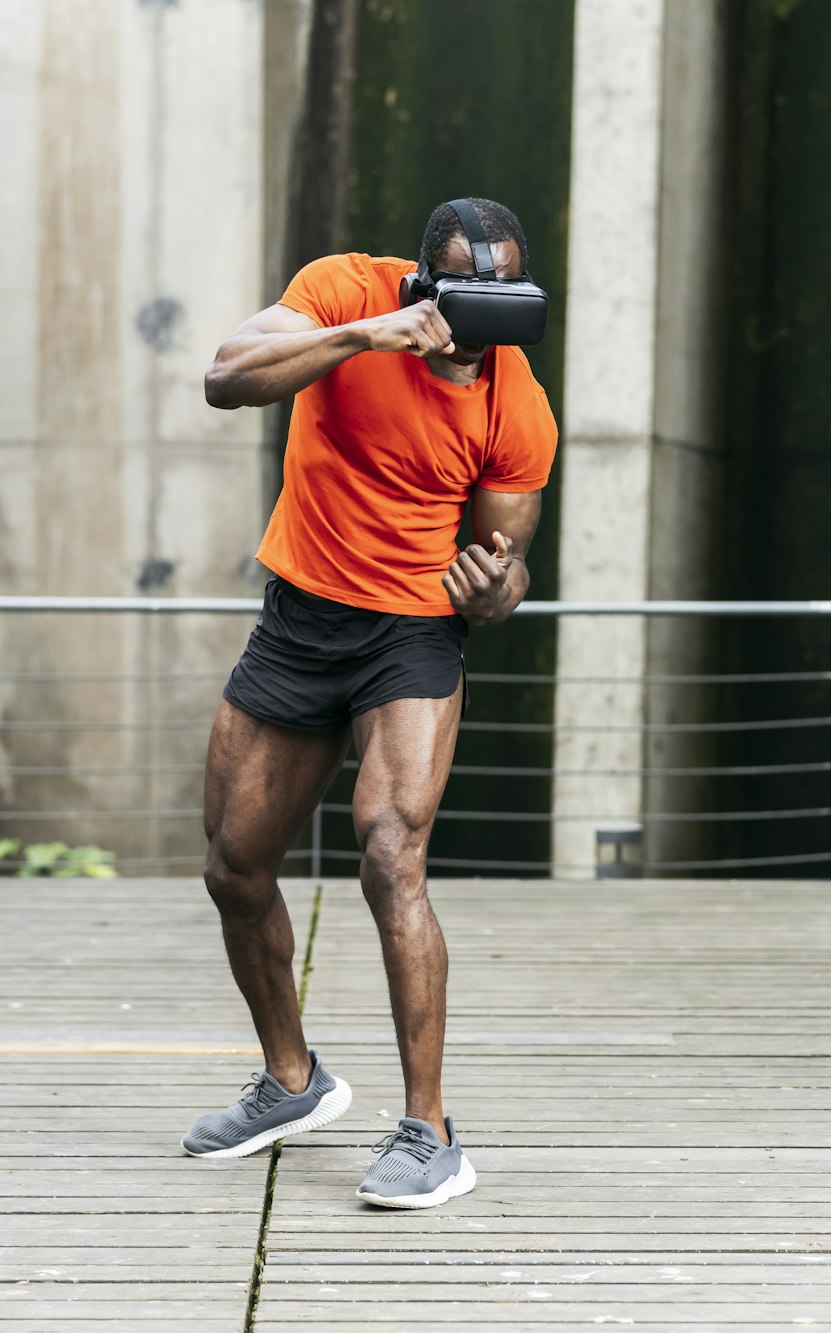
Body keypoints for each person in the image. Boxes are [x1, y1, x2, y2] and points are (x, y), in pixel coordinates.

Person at [179, 198, 557, 1209]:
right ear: (422, 287)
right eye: (455, 314)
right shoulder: (345, 288)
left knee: (390, 854)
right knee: (233, 865)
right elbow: (224, 378)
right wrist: (367, 336)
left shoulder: (515, 403)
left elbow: (505, 563)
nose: (469, 345)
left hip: (411, 633)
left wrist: (496, 590)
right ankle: (291, 1082)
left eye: (498, 317)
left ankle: (429, 1131)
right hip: (300, 616)